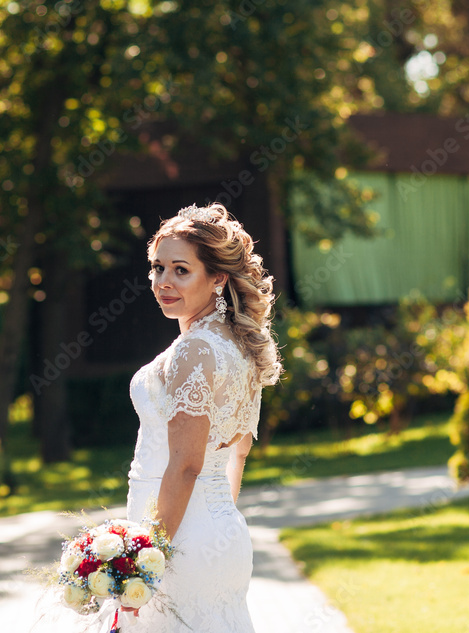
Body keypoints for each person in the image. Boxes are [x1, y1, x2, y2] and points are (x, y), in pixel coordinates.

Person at [120, 202, 282, 632]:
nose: (163, 282)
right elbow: (238, 455)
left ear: (217, 278)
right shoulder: (238, 345)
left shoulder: (195, 350)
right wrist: (217, 523)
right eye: (157, 268)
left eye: (180, 270)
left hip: (177, 536)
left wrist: (147, 558)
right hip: (219, 531)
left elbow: (188, 464)